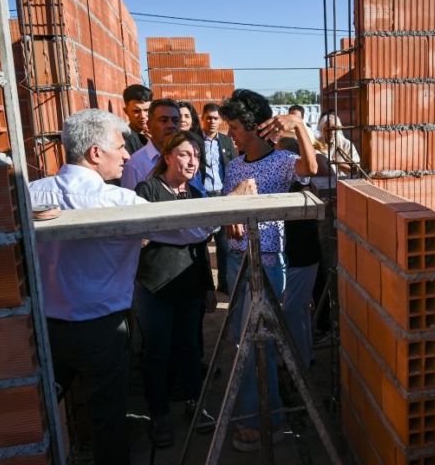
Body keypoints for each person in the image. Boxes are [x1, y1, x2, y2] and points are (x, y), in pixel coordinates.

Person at [28, 109, 213, 463]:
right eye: (119, 147)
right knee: (108, 420)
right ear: (95, 153)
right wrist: (231, 207)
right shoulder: (121, 203)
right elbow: (189, 229)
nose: (128, 155)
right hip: (103, 333)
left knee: (36, 410)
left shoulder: (31, 193)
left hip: (46, 331)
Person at [219, 89, 317, 452]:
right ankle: (265, 414)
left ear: (252, 127)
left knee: (254, 341)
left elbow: (312, 168)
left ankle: (261, 421)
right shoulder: (234, 165)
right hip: (236, 260)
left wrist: (299, 126)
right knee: (243, 340)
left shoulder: (282, 161)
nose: (230, 134)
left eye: (234, 127)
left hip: (268, 261)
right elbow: (229, 210)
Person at [134, 131, 217, 447]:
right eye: (184, 154)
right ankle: (159, 415)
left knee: (190, 348)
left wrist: (208, 286)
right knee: (157, 353)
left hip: (189, 286)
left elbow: (199, 246)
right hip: (155, 286)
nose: (192, 161)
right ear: (166, 156)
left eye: (196, 155)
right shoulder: (148, 190)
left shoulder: (196, 195)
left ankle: (195, 404)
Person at [275, 135, 322, 368]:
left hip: (301, 257)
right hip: (303, 256)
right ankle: (306, 356)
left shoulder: (299, 185)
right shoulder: (301, 186)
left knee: (294, 310)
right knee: (300, 310)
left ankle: (300, 362)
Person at [200, 102, 238, 293]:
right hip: (204, 197)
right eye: (209, 118)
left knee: (224, 245)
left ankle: (224, 283)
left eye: (216, 118)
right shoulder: (195, 141)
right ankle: (206, 286)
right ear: (202, 119)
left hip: (223, 195)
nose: (212, 122)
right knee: (201, 244)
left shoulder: (226, 141)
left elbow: (232, 167)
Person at [317, 112, 361, 176]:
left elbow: (356, 169)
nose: (332, 132)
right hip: (323, 180)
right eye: (328, 129)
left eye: (334, 129)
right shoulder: (317, 143)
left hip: (343, 180)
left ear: (338, 129)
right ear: (323, 129)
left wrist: (337, 163)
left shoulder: (346, 144)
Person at [122, 84, 152, 154]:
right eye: (136, 111)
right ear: (126, 111)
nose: (143, 116)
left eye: (146, 110)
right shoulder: (124, 139)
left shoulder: (160, 132)